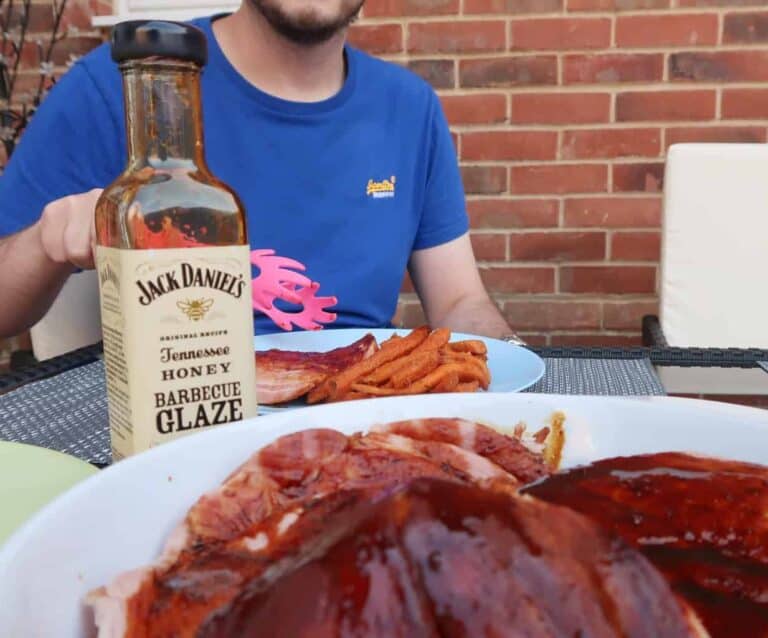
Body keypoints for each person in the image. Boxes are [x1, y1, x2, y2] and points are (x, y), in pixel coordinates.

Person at [0, 0, 518, 340]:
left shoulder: (410, 108)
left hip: (361, 433)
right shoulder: (126, 86)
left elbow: (459, 301)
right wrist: (46, 242)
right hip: (178, 432)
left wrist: (513, 364)